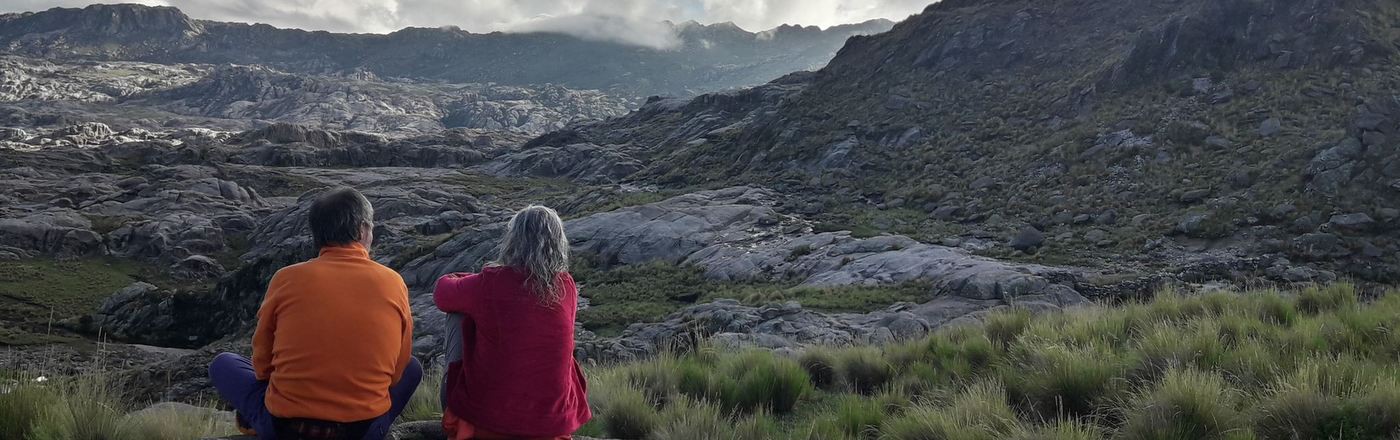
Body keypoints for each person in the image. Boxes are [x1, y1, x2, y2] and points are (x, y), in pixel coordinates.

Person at [209, 186, 421, 440]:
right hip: (360, 431)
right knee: (413, 368)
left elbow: (262, 365)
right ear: (363, 229)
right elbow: (397, 371)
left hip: (285, 427)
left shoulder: (286, 278)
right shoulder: (393, 282)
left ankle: (257, 423)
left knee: (223, 363)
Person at [435, 205, 591, 440]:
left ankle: (456, 410)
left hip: (488, 423)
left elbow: (442, 294)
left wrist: (469, 279)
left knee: (458, 314)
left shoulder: (491, 283)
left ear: (514, 240)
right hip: (551, 425)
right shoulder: (567, 287)